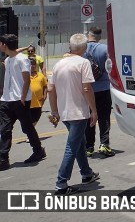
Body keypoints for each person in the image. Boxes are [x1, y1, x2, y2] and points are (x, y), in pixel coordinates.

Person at [49, 33, 100, 195]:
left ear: (70, 47)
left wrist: (54, 111)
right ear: (84, 48)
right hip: (78, 112)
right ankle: (61, 183)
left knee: (79, 142)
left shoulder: (59, 64)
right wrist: (94, 110)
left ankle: (86, 174)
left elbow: (51, 89)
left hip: (65, 112)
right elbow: (87, 88)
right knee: (72, 147)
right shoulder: (83, 63)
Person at [0, 34, 47, 171]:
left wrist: (22, 97)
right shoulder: (8, 59)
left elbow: (26, 80)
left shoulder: (22, 60)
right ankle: (3, 159)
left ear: (4, 45)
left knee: (27, 128)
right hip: (6, 100)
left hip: (20, 100)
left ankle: (38, 151)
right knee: (5, 129)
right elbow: (14, 51)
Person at [84, 27, 114, 157]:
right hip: (103, 88)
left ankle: (89, 147)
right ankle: (104, 144)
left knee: (89, 118)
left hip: (87, 89)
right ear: (99, 36)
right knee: (104, 117)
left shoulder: (81, 49)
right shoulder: (105, 49)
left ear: (88, 35)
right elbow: (110, 67)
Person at [28, 56, 48, 125]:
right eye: (30, 64)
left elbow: (45, 86)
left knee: (36, 119)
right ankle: (31, 134)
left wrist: (45, 96)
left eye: (33, 64)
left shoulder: (41, 76)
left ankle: (31, 132)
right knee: (29, 122)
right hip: (27, 103)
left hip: (38, 103)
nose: (32, 66)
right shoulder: (24, 75)